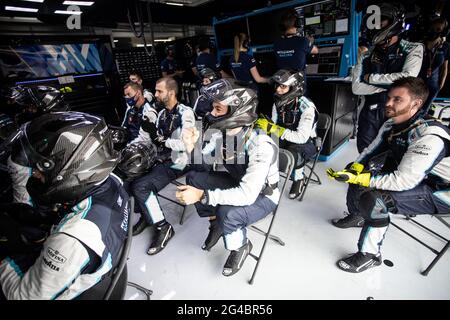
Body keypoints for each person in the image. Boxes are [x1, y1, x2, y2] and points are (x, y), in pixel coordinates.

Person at [0, 111, 129, 299]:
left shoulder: (72, 241)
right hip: (91, 259)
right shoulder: (111, 181)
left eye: (42, 166)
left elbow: (23, 296)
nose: (35, 173)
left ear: (75, 168)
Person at [327, 77, 450, 273]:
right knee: (355, 169)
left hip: (442, 190)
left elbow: (404, 180)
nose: (388, 103)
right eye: (389, 97)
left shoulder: (429, 136)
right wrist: (356, 170)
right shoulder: (391, 123)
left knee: (376, 200)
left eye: (397, 99)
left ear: (416, 104)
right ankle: (358, 215)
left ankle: (370, 255)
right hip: (417, 176)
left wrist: (362, 179)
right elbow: (370, 151)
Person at [176, 79, 280, 277]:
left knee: (228, 213)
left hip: (263, 196)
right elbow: (202, 166)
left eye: (217, 109)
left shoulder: (261, 145)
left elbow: (248, 195)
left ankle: (240, 246)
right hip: (240, 182)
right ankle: (216, 225)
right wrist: (191, 147)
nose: (211, 114)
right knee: (194, 177)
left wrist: (203, 196)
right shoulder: (221, 134)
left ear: (236, 110)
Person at [129, 77, 196, 255]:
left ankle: (163, 227)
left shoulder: (186, 112)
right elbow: (146, 138)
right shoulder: (159, 113)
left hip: (181, 161)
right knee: (129, 175)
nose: (156, 94)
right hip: (161, 157)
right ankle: (146, 213)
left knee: (142, 186)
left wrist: (162, 140)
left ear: (171, 93)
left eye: (160, 91)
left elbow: (186, 145)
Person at [352, 2, 423, 153]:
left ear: (393, 22)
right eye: (373, 22)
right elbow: (356, 87)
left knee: (395, 155)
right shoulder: (366, 54)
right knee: (364, 152)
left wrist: (370, 78)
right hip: (371, 110)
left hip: (400, 111)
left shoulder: (413, 48)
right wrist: (391, 85)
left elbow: (407, 80)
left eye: (380, 21)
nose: (376, 26)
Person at [255, 69, 318, 199]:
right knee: (261, 145)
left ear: (295, 87)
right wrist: (263, 128)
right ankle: (270, 180)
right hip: (285, 137)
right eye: (277, 85)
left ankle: (299, 178)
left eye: (283, 86)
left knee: (294, 152)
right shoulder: (277, 103)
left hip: (307, 142)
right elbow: (273, 125)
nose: (278, 89)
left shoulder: (307, 107)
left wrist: (273, 129)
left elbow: (301, 137)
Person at [418, 16, 449, 114]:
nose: (434, 31)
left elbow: (445, 67)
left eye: (438, 29)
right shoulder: (420, 43)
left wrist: (441, 83)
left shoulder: (446, 46)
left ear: (443, 31)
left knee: (423, 111)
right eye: (433, 28)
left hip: (433, 84)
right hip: (416, 82)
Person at [273, 8, 318, 73]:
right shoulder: (303, 41)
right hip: (298, 81)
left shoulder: (276, 43)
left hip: (283, 80)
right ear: (297, 23)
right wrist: (310, 41)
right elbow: (316, 51)